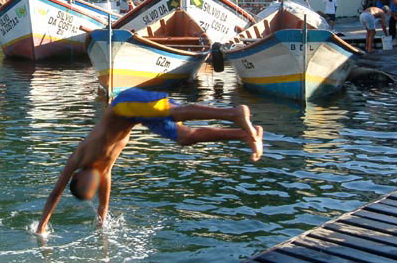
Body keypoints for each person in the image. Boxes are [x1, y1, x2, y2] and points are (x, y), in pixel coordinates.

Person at [36, 89, 263, 234]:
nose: (93, 184)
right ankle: (244, 134)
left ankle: (234, 113)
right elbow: (104, 202)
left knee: (176, 112)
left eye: (86, 184)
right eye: (92, 189)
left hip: (124, 106)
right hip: (136, 119)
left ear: (78, 176)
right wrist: (101, 222)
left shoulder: (80, 156)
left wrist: (42, 226)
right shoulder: (103, 172)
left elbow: (56, 191)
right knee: (185, 138)